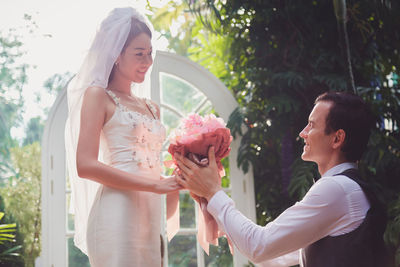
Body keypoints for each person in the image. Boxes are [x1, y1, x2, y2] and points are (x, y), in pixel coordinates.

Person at [175, 92, 387, 267]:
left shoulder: (337, 189)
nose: (303, 133)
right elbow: (274, 256)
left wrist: (213, 192)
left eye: (311, 125)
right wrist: (229, 225)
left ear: (337, 138)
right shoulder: (347, 188)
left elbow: (259, 246)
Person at [65, 7, 181, 267]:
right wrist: (155, 186)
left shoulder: (152, 108)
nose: (147, 61)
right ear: (116, 55)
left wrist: (175, 180)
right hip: (115, 214)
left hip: (150, 215)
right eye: (139, 54)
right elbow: (85, 165)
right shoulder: (98, 96)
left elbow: (148, 167)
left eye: (150, 53)